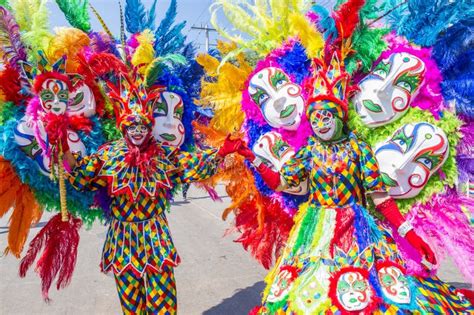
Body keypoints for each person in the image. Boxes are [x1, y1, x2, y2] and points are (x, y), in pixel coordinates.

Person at [236, 58, 473, 314]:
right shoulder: (308, 151)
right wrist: (252, 157)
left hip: (358, 228)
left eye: (326, 115)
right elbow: (280, 182)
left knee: (369, 293)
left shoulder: (358, 148)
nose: (320, 122)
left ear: (339, 117)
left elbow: (381, 198)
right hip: (314, 231)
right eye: (315, 117)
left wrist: (410, 234)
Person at [58, 80, 241, 314]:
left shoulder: (163, 154)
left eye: (142, 126)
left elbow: (191, 165)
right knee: (131, 303)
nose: (137, 131)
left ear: (148, 127)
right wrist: (62, 145)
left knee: (162, 300)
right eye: (131, 126)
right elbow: (81, 176)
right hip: (122, 239)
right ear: (123, 128)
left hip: (156, 236)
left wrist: (223, 151)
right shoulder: (108, 154)